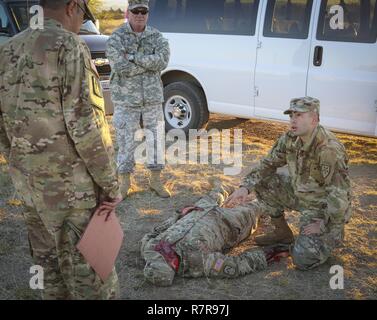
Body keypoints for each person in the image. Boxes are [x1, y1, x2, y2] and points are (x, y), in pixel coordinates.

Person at [0, 0, 122, 299]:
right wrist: (110, 185)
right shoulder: (69, 46)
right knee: (93, 283)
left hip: (31, 191)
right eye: (83, 14)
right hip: (73, 196)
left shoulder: (7, 50)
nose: (81, 22)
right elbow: (85, 127)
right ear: (71, 7)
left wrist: (18, 164)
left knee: (49, 277)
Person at [226, 97, 352, 270]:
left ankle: (333, 235)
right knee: (265, 182)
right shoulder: (290, 138)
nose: (293, 120)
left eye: (299, 115)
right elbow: (268, 164)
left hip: (322, 209)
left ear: (314, 119)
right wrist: (245, 188)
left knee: (302, 260)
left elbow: (339, 194)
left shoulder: (328, 149)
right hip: (300, 194)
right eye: (291, 115)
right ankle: (282, 233)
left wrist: (326, 223)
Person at [140, 179, 290, 286]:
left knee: (218, 192)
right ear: (172, 265)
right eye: (168, 259)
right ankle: (275, 194)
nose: (167, 253)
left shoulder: (152, 247)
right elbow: (236, 265)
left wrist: (179, 215)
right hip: (230, 223)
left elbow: (156, 231)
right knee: (258, 206)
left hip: (200, 210)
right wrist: (269, 254)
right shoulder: (197, 262)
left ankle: (227, 186)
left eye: (162, 255)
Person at [106, 0, 171, 198]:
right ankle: (125, 183)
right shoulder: (117, 37)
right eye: (136, 11)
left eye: (144, 11)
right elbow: (119, 66)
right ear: (129, 13)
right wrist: (148, 63)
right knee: (126, 140)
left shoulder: (156, 36)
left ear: (148, 14)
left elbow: (163, 61)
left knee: (156, 139)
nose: (140, 15)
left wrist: (132, 57)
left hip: (152, 98)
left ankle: (155, 180)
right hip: (126, 100)